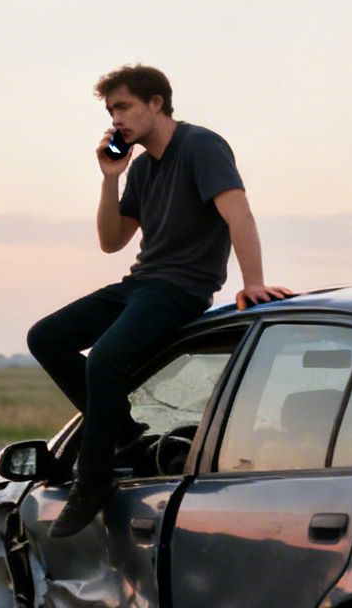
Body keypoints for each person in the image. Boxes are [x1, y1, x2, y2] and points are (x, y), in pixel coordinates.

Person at [29, 64, 292, 538]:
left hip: (182, 287)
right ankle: (127, 435)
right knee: (46, 337)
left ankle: (93, 482)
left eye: (124, 106)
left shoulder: (201, 146)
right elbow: (112, 241)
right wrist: (111, 176)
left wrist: (253, 281)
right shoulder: (143, 166)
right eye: (111, 111)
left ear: (156, 103)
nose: (116, 119)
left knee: (105, 360)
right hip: (142, 281)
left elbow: (239, 214)